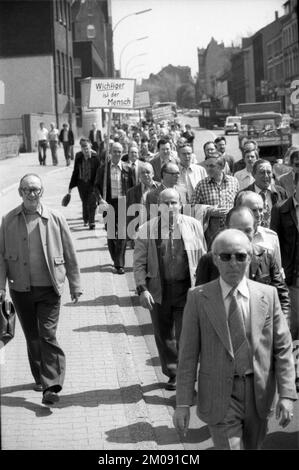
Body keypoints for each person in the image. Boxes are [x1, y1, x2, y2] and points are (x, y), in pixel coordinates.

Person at [173, 229, 297, 450]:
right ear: (215, 259)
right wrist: (182, 403)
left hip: (258, 392)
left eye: (240, 256)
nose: (233, 263)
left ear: (249, 258)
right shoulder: (198, 298)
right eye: (225, 256)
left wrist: (287, 394)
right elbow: (188, 355)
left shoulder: (268, 295)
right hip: (219, 393)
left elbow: (282, 349)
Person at [0, 174, 82, 405]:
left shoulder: (55, 218)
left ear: (42, 192)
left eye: (36, 189)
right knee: (33, 336)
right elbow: (1, 257)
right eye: (27, 189)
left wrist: (75, 285)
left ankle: (51, 385)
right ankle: (39, 376)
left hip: (49, 288)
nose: (32, 193)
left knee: (47, 334)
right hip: (21, 289)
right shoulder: (8, 220)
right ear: (20, 193)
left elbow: (69, 254)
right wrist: (1, 287)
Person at [133, 188, 206, 391]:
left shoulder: (194, 226)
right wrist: (142, 289)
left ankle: (187, 376)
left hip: (187, 289)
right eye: (166, 203)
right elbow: (138, 264)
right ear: (158, 206)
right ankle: (173, 373)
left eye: (174, 202)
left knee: (187, 335)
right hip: (159, 290)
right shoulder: (146, 230)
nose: (171, 207)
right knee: (164, 335)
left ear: (181, 204)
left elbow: (204, 257)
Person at [195, 206, 291, 322]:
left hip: (259, 332)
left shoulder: (267, 257)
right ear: (226, 229)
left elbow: (282, 298)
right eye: (238, 230)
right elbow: (199, 302)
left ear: (255, 229)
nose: (243, 235)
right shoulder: (209, 261)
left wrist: (282, 326)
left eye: (248, 230)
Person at [271, 175, 299, 392]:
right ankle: (291, 375)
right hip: (291, 279)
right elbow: (275, 242)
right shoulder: (281, 209)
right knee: (291, 330)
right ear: (295, 186)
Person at [94, 142, 134, 274]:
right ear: (110, 152)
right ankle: (115, 258)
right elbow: (96, 187)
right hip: (109, 203)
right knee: (111, 234)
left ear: (122, 153)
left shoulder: (128, 169)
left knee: (122, 234)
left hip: (123, 203)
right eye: (115, 151)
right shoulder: (103, 169)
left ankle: (119, 264)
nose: (117, 154)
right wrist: (100, 199)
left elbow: (133, 188)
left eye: (119, 151)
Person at [191, 155, 239, 248]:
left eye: (212, 166)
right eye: (207, 166)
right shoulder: (201, 185)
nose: (208, 169)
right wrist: (209, 211)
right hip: (211, 232)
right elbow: (192, 208)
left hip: (232, 229)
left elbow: (238, 204)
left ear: (221, 166)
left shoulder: (234, 182)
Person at [235, 191, 282, 269]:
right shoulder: (228, 236)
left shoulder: (271, 237)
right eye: (253, 210)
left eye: (260, 210)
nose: (258, 214)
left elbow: (277, 272)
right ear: (240, 210)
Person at [242, 159, 288, 228]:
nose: (266, 176)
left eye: (269, 172)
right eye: (262, 172)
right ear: (253, 174)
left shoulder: (280, 192)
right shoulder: (244, 196)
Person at [68, 138, 100, 230]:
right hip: (81, 183)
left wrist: (98, 184)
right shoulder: (78, 156)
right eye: (83, 148)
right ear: (81, 149)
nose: (85, 150)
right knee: (84, 201)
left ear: (90, 147)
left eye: (87, 147)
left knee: (92, 202)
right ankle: (85, 218)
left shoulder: (95, 157)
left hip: (92, 183)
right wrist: (71, 186)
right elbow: (75, 171)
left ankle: (92, 222)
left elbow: (99, 171)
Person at [126, 162, 160, 242]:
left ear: (153, 174)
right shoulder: (131, 192)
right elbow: (129, 216)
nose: (145, 175)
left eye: (148, 172)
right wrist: (129, 237)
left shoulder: (162, 189)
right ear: (139, 175)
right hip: (140, 233)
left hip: (158, 231)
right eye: (142, 172)